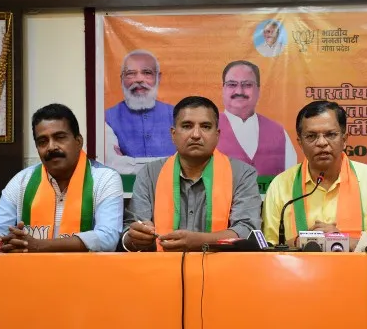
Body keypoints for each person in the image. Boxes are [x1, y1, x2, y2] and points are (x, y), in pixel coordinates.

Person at [262, 101, 367, 251]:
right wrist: (300, 242)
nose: (321, 142)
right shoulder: (280, 186)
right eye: (311, 136)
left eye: (330, 135)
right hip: (296, 267)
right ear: (300, 143)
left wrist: (347, 242)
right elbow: (267, 248)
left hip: (357, 267)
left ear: (344, 140)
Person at [0, 104, 124, 253]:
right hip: (30, 268)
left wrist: (39, 246)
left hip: (85, 268)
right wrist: (8, 245)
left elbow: (107, 238)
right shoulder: (22, 181)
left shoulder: (104, 179)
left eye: (60, 138)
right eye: (42, 142)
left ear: (78, 141)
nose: (51, 147)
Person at [122, 96, 262, 252]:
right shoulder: (149, 174)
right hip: (160, 266)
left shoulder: (242, 174)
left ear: (217, 134)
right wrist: (135, 237)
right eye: (187, 126)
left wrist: (200, 242)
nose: (196, 134)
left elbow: (247, 231)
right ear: (173, 134)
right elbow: (130, 233)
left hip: (221, 266)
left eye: (205, 126)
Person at [218, 60, 297, 176]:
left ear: (258, 90)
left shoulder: (279, 133)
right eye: (232, 84)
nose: (239, 91)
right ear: (223, 89)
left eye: (247, 85)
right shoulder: (207, 129)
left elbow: (291, 179)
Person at [105, 49, 175, 174]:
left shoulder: (177, 115)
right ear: (121, 79)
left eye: (147, 73)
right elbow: (113, 164)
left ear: (158, 78)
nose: (139, 79)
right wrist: (173, 162)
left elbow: (190, 160)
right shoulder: (106, 118)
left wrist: (129, 163)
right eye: (131, 73)